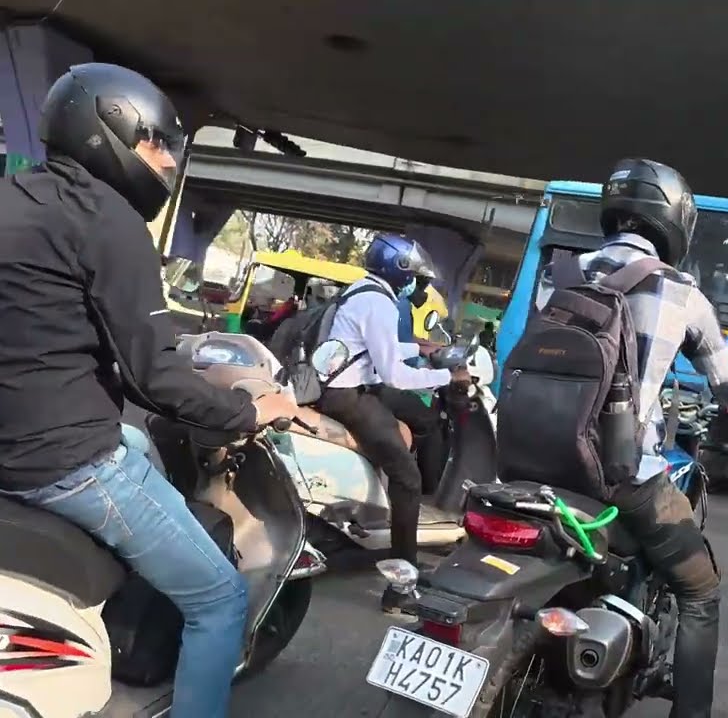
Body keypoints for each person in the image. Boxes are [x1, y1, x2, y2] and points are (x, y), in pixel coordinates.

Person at [0, 63, 297, 718]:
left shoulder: (14, 196)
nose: (166, 159)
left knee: (137, 443)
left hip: (13, 444)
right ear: (112, 131)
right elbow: (155, 377)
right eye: (157, 142)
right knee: (219, 597)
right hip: (64, 463)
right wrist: (250, 408)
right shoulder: (108, 219)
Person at [534, 158, 728, 718]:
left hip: (532, 459)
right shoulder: (679, 291)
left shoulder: (561, 274)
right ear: (673, 221)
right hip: (616, 472)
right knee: (700, 589)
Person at [314, 232, 469, 613]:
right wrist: (448, 377)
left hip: (340, 387)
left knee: (419, 417)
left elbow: (373, 347)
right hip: (348, 397)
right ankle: (401, 585)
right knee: (408, 480)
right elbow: (394, 375)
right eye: (414, 276)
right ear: (399, 270)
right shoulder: (380, 303)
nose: (415, 283)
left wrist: (421, 347)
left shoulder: (362, 291)